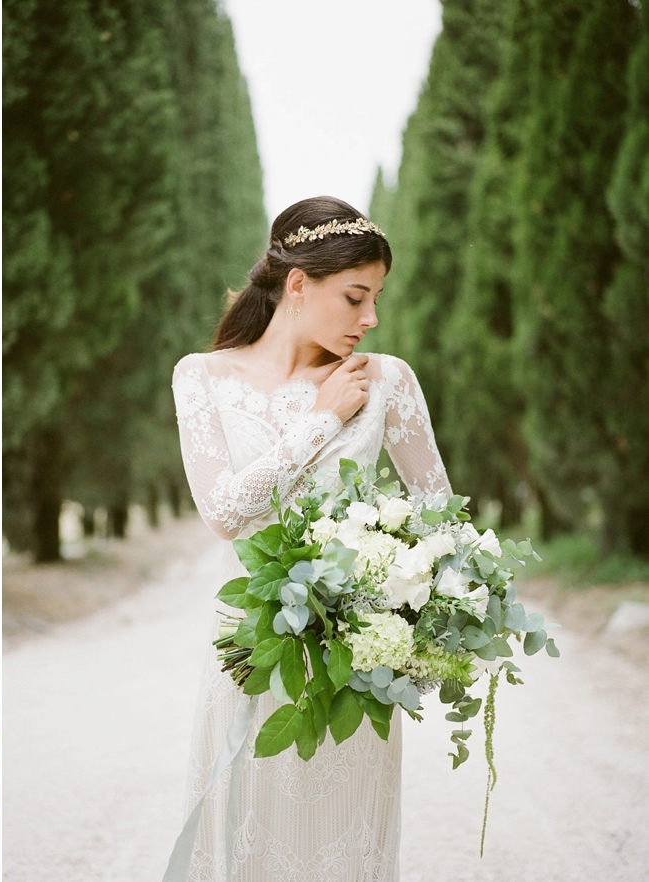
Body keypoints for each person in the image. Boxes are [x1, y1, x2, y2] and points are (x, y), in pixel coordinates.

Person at [170, 195, 451, 882]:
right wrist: (321, 422)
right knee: (248, 834)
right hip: (250, 647)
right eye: (356, 297)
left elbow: (442, 521)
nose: (371, 318)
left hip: (355, 662)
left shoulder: (389, 381)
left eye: (377, 298)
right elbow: (225, 512)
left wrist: (407, 603)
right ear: (298, 284)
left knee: (344, 846)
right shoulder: (201, 377)